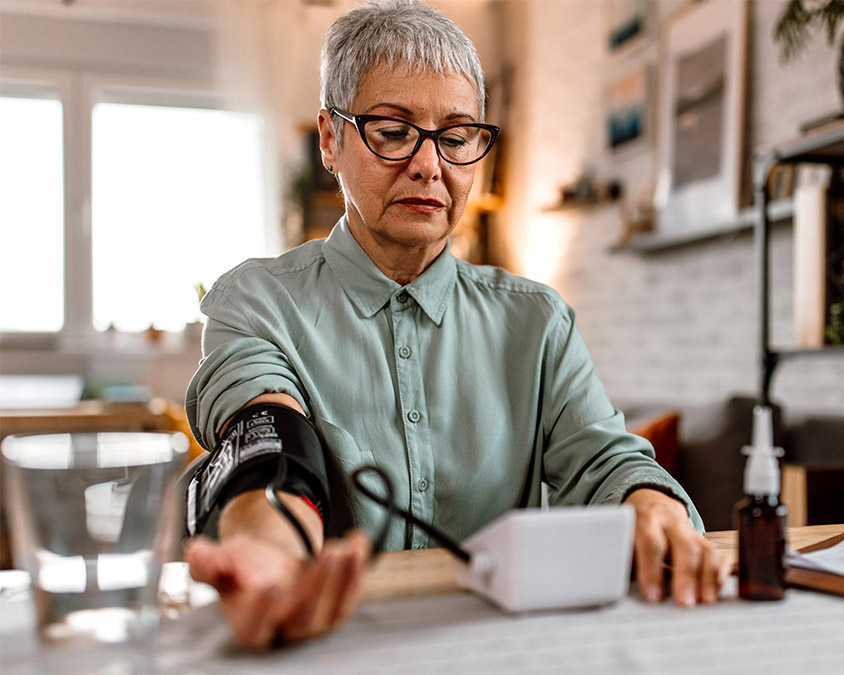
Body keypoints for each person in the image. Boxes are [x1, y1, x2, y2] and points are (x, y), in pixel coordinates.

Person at [183, 0, 730, 650]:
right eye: (392, 130)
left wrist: (651, 504)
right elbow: (268, 446)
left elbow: (604, 459)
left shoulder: (537, 320)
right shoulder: (255, 299)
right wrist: (270, 547)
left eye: (457, 135)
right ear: (330, 139)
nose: (428, 164)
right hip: (328, 642)